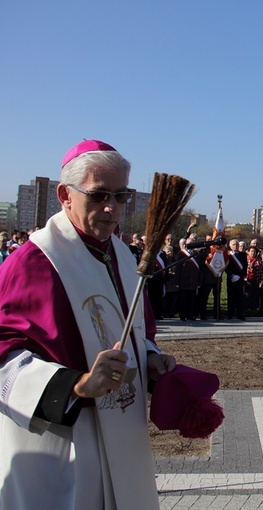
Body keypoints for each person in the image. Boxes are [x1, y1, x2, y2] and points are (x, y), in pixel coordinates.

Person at [0, 139, 176, 509]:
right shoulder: (34, 262)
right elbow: (4, 357)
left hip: (124, 433)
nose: (111, 208)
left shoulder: (124, 258)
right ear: (65, 195)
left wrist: (151, 359)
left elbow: (138, 332)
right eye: (98, 195)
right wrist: (79, 384)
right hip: (64, 444)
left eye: (121, 195)